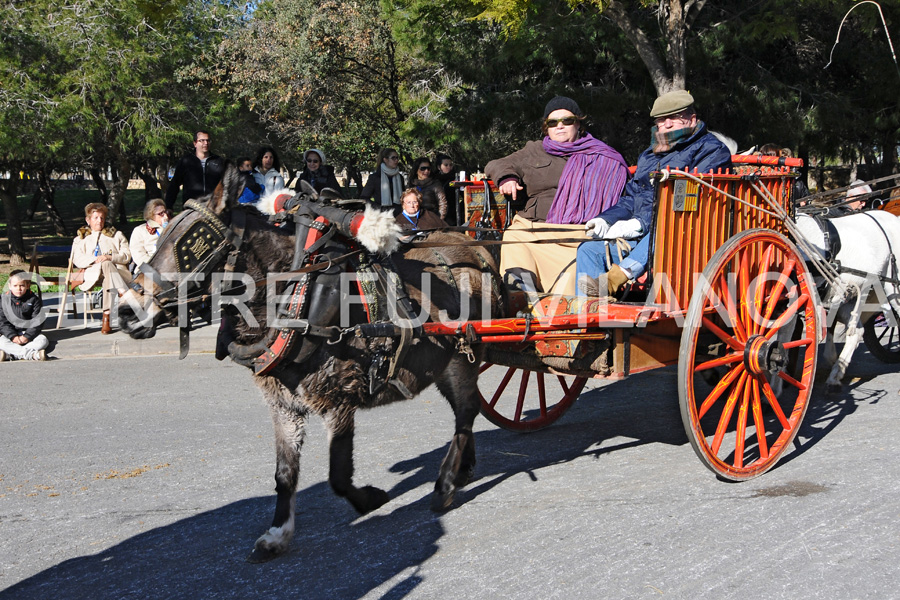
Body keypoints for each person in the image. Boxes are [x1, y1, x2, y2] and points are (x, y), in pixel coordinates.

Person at [577, 90, 732, 297]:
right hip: (646, 237)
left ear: (692, 119)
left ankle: (614, 280)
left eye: (674, 119)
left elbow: (689, 201)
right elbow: (631, 196)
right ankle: (590, 314)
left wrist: (641, 223)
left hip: (689, 235)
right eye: (661, 120)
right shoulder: (649, 155)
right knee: (587, 249)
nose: (666, 124)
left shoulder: (712, 150)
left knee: (663, 230)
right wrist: (605, 219)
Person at [484, 96, 629, 295]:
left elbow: (623, 196)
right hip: (532, 229)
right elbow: (497, 164)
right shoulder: (534, 150)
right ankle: (523, 301)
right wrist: (507, 178)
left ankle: (564, 317)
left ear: (578, 123)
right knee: (514, 239)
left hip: (579, 234)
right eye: (552, 122)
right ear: (546, 128)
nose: (559, 126)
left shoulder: (604, 156)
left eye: (567, 121)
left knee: (571, 286)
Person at [72, 203, 132, 334]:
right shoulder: (81, 239)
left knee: (107, 268)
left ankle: (106, 318)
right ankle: (124, 293)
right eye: (96, 218)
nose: (99, 221)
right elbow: (77, 259)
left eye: (102, 218)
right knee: (104, 264)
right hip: (93, 273)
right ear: (88, 220)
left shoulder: (117, 236)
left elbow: (127, 256)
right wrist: (95, 259)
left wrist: (110, 257)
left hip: (118, 273)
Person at [164, 130, 226, 211]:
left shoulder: (218, 161)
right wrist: (168, 206)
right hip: (191, 208)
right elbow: (174, 185)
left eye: (208, 140)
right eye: (202, 140)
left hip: (214, 209)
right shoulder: (186, 161)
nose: (206, 143)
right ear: (195, 143)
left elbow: (226, 185)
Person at [0, 270, 48, 361]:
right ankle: (33, 355)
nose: (19, 289)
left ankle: (12, 355)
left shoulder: (34, 299)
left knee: (43, 340)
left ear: (28, 285)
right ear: (9, 286)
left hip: (29, 333)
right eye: (15, 286)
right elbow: (2, 322)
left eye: (22, 285)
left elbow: (37, 321)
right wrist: (13, 336)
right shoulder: (4, 300)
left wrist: (27, 336)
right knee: (1, 342)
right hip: (11, 334)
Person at [130, 199, 169, 269]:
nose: (165, 216)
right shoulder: (140, 230)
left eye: (165, 212)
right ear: (151, 215)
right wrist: (155, 265)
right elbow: (138, 255)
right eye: (161, 214)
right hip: (150, 268)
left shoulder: (171, 227)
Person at [434, 153, 458, 224]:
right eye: (446, 165)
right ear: (439, 167)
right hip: (438, 212)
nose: (449, 167)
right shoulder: (434, 180)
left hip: (453, 213)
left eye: (450, 165)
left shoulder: (455, 179)